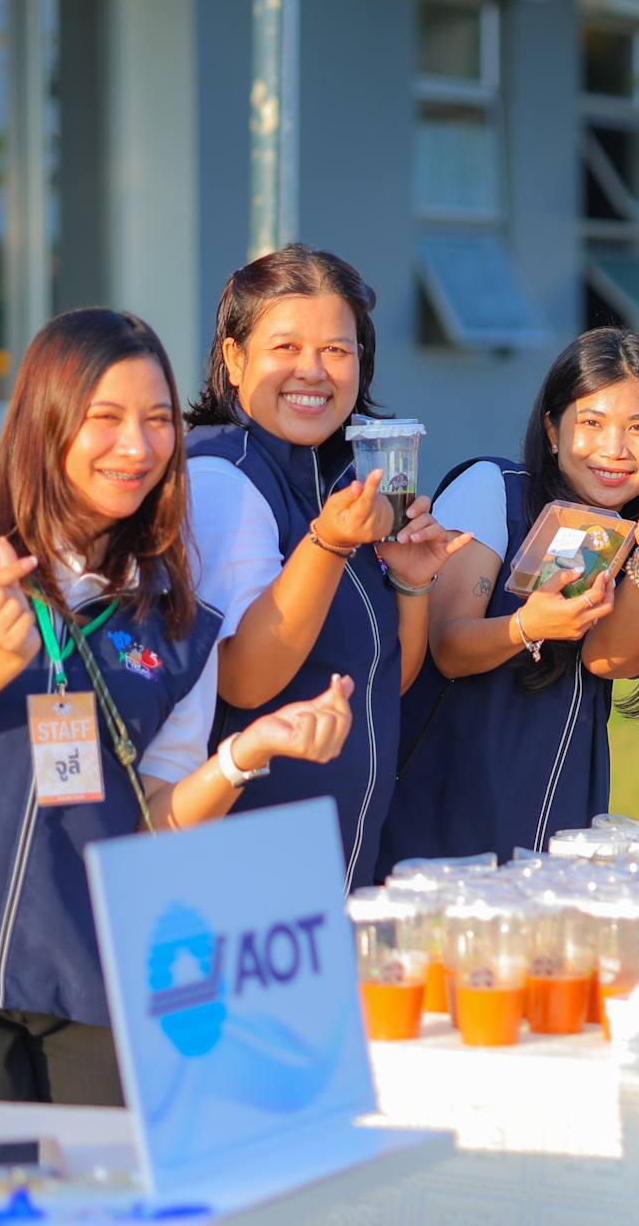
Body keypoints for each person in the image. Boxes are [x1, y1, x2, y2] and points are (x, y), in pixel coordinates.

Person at [0, 308, 353, 1105]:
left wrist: (246, 754)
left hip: (88, 967)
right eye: (106, 418)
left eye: (158, 420)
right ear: (46, 418)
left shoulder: (175, 615)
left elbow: (153, 825)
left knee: (108, 1177)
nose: (137, 447)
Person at [186, 245, 470, 892]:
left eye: (337, 350)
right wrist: (331, 543)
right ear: (235, 358)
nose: (312, 371)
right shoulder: (224, 476)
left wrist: (412, 580)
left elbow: (382, 679)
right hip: (251, 874)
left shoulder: (344, 475)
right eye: (286, 347)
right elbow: (247, 679)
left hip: (342, 864)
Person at [385, 328, 639, 864]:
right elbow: (447, 646)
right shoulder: (493, 487)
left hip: (560, 828)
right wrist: (527, 627)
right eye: (592, 423)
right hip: (445, 833)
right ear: (552, 430)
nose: (615, 449)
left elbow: (610, 660)